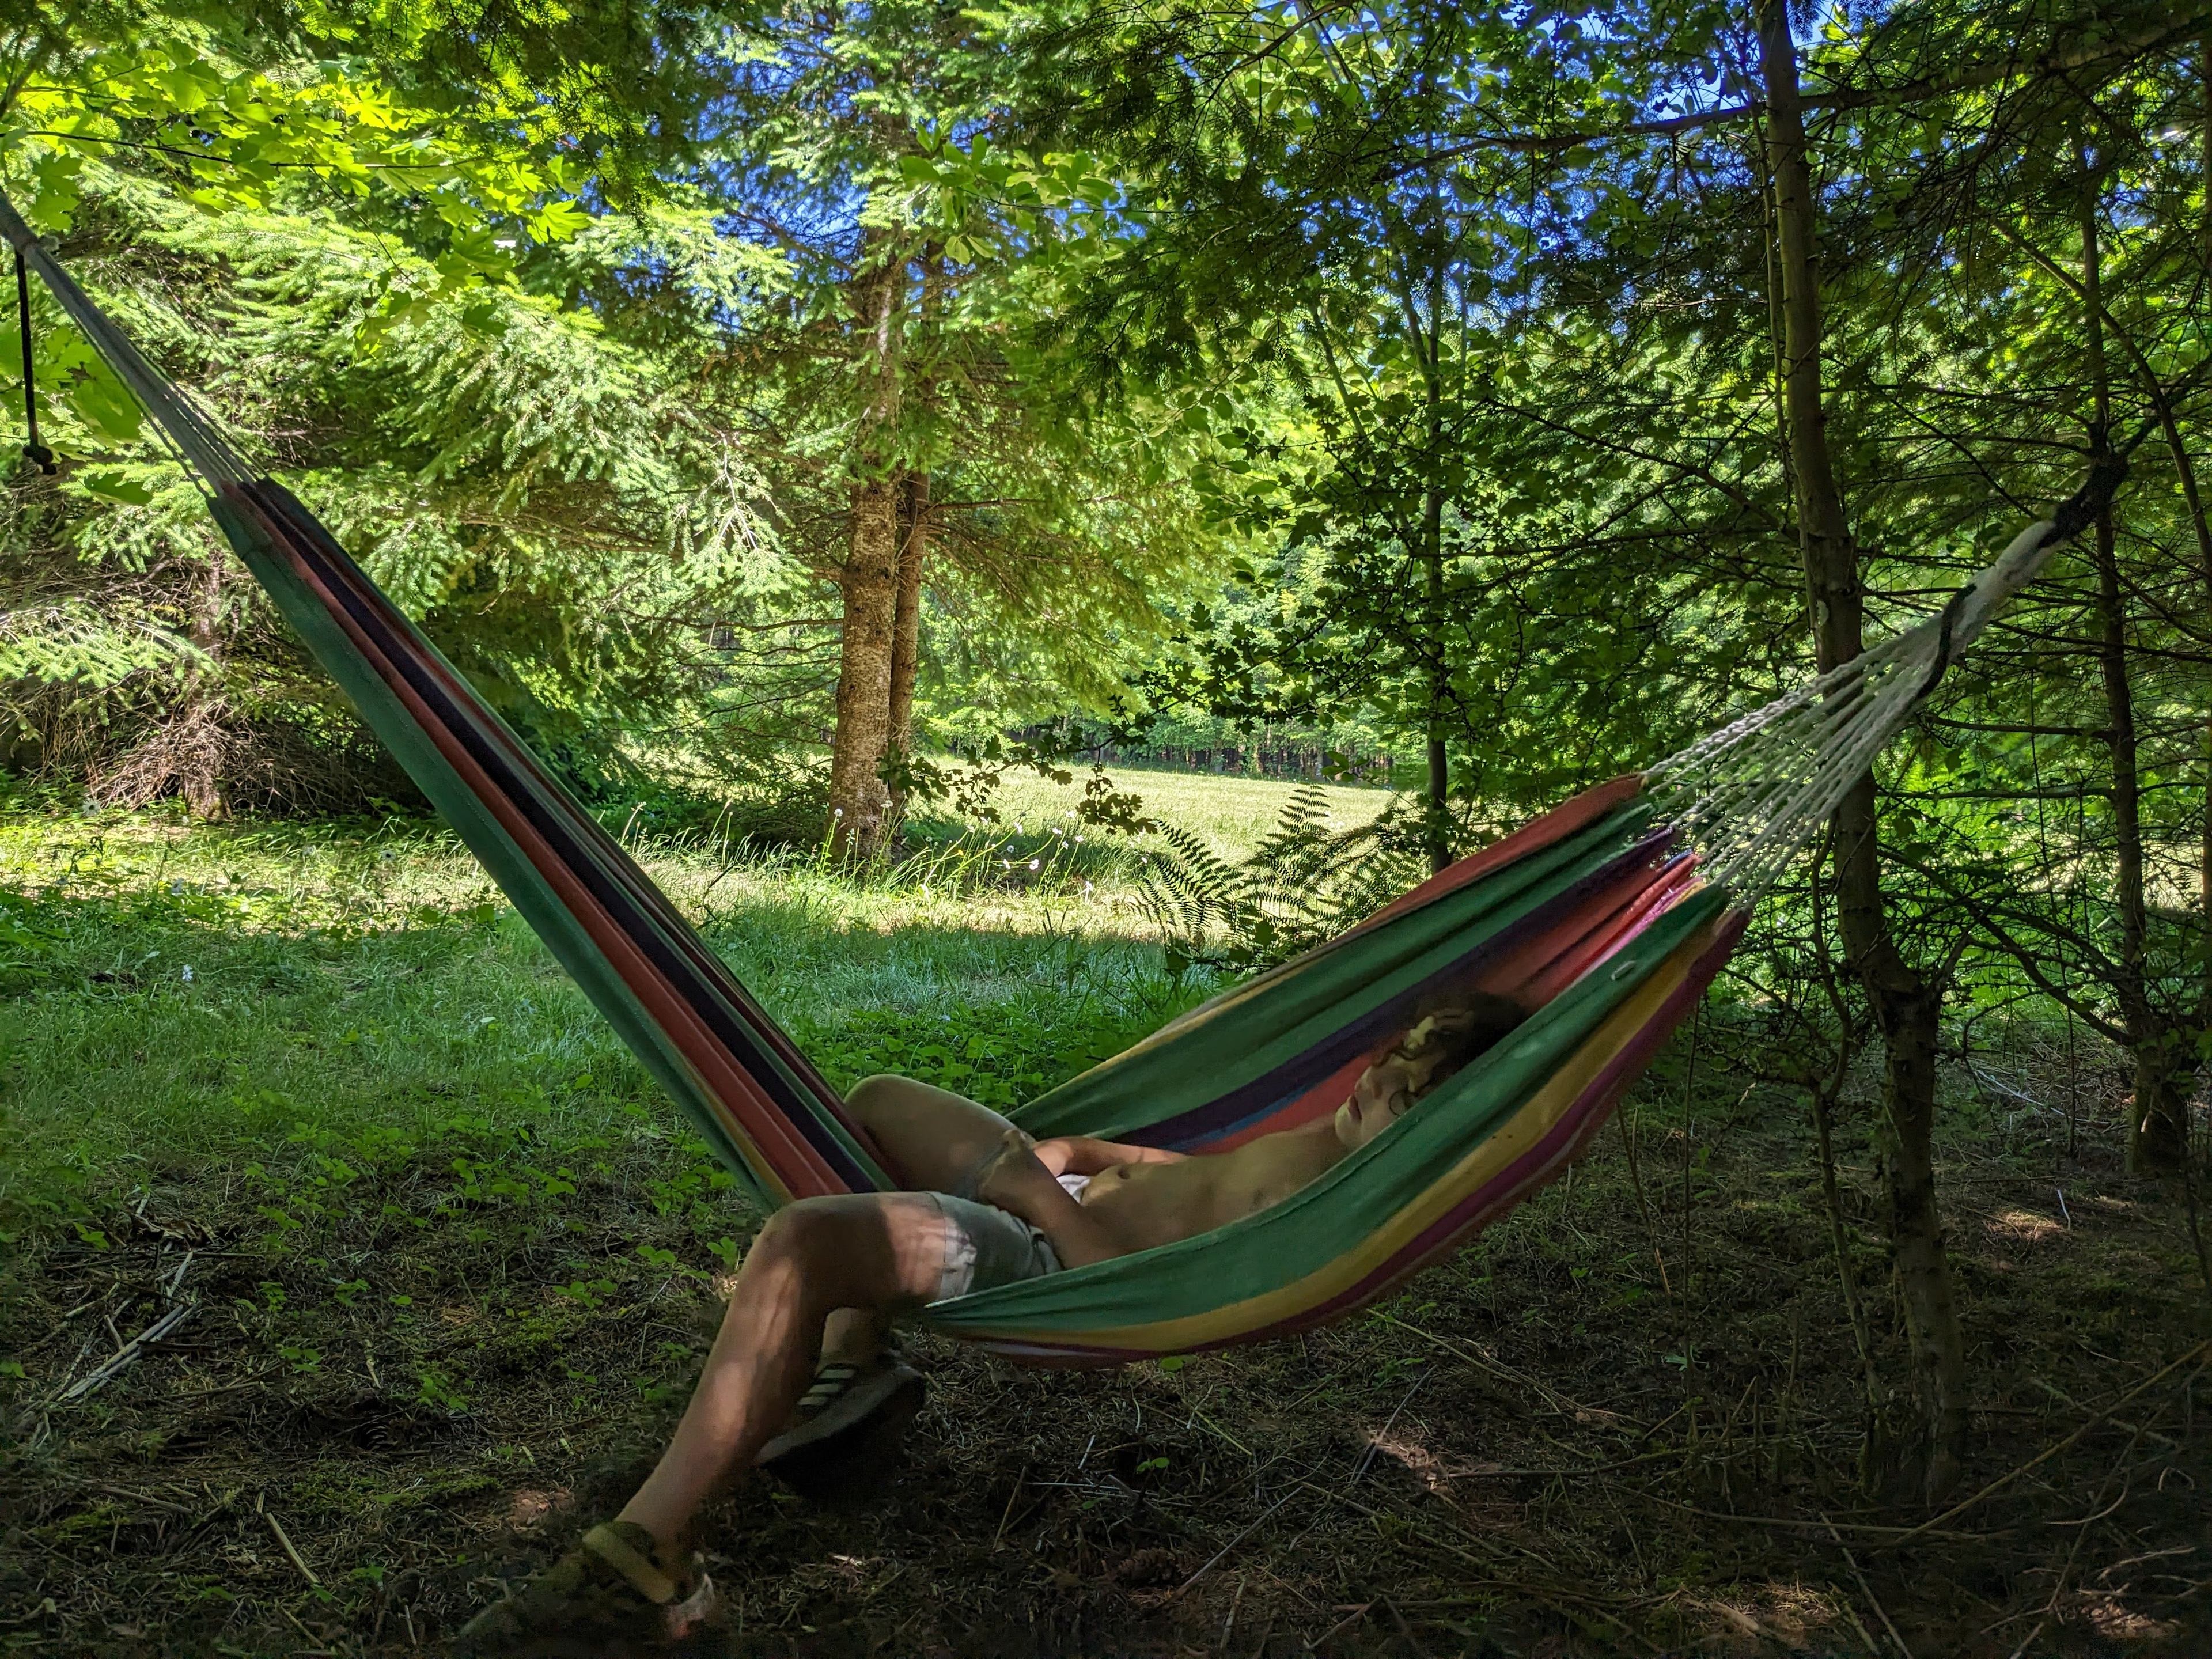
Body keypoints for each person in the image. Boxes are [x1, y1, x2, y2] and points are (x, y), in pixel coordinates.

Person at [457, 995, 1522, 1652]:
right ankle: (856, 1353)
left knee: (803, 1241)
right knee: (874, 1099)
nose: (1376, 1077)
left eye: (1407, 1093)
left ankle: (650, 1553)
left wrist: (1040, 1199)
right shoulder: (1310, 1148)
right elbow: (1179, 1173)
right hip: (1058, 1217)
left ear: (1443, 1140)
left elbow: (1162, 1273)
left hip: (1063, 1267)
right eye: (1398, 1054)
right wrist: (1085, 1156)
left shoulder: (1333, 1213)